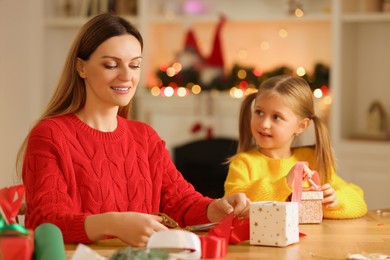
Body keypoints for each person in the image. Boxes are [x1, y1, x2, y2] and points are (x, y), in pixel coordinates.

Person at [16, 13, 250, 246]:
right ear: (81, 68)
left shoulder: (145, 137)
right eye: (111, 64)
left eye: (135, 65)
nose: (127, 76)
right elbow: (46, 222)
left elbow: (182, 203)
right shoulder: (50, 135)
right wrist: (113, 223)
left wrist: (216, 208)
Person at [224, 75, 367, 219]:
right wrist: (285, 184)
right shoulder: (243, 163)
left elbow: (358, 201)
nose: (264, 124)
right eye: (259, 112)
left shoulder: (312, 159)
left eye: (276, 117)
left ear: (301, 126)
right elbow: (234, 204)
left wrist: (336, 201)